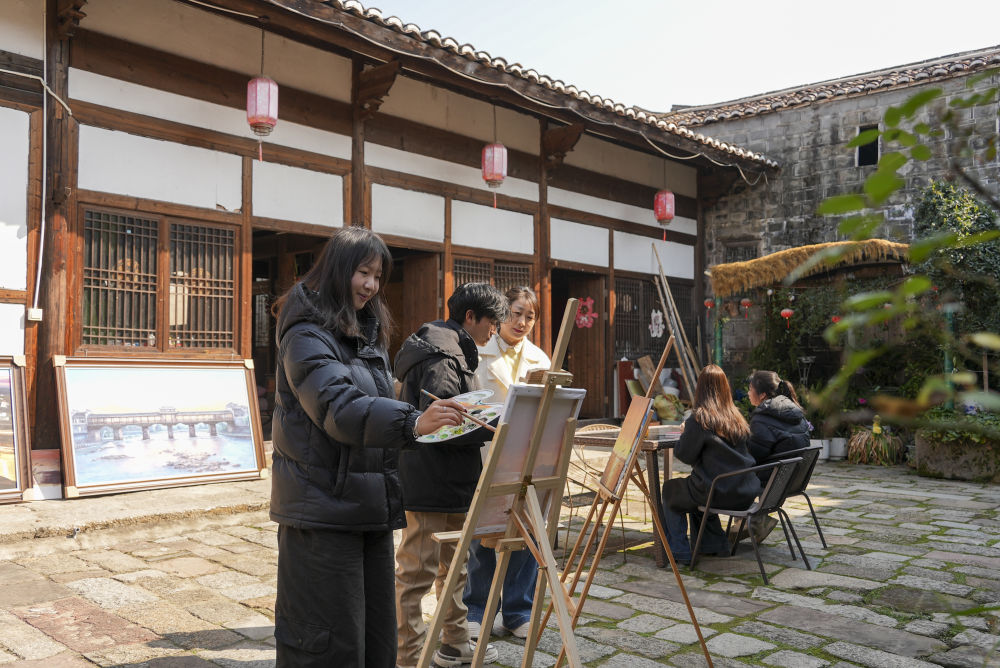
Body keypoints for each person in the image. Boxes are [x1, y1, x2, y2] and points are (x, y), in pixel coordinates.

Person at [269, 226, 468, 668]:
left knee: (374, 641)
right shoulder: (305, 335)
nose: (371, 285)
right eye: (363, 272)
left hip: (367, 507)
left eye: (378, 276)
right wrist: (412, 421)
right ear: (339, 270)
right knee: (328, 646)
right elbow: (340, 408)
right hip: (321, 510)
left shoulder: (362, 331)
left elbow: (372, 403)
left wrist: (422, 418)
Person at [393, 283, 510, 668]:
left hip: (448, 478)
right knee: (419, 572)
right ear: (470, 317)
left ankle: (455, 643)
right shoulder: (444, 354)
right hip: (430, 480)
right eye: (491, 322)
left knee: (453, 567)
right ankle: (407, 656)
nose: (494, 331)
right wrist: (494, 426)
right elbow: (445, 425)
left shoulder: (452, 347)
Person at [463, 286, 550, 641]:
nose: (522, 322)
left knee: (526, 532)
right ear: (502, 313)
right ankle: (477, 610)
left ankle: (518, 611)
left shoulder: (542, 360)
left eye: (530, 316)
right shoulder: (478, 352)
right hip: (487, 454)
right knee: (482, 536)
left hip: (529, 458)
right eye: (516, 313)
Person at [661, 364, 762, 564]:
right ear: (726, 388)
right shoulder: (736, 417)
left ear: (700, 389)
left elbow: (685, 455)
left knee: (671, 490)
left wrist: (684, 433)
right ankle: (714, 545)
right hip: (744, 491)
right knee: (695, 490)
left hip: (718, 491)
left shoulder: (699, 419)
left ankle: (679, 551)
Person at [744, 370, 811, 541]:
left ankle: (746, 524)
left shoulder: (763, 419)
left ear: (762, 395)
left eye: (750, 389)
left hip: (771, 483)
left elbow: (752, 458)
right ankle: (748, 523)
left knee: (727, 475)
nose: (747, 393)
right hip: (792, 481)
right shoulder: (796, 413)